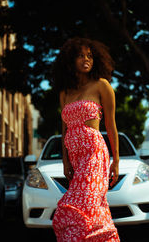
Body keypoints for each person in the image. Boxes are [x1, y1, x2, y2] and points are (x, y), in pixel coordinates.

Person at [52, 37, 120, 241]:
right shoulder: (65, 92)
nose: (86, 59)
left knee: (82, 205)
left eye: (89, 55)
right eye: (80, 55)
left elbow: (111, 125)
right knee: (90, 209)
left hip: (94, 155)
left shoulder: (102, 85)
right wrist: (65, 161)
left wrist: (116, 161)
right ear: (70, 60)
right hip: (75, 158)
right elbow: (64, 130)